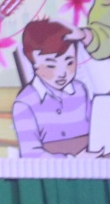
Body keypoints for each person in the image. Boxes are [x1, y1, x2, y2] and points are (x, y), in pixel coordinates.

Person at [11, 19, 92, 157]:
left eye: (69, 62)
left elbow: (96, 130)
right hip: (52, 169)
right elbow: (31, 154)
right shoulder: (25, 103)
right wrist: (74, 160)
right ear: (33, 64)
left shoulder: (80, 90)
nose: (62, 73)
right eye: (50, 65)